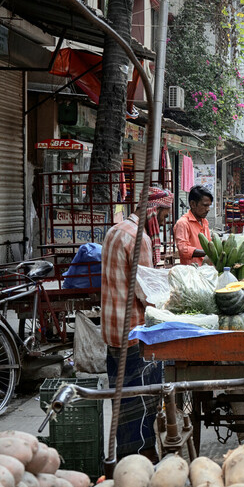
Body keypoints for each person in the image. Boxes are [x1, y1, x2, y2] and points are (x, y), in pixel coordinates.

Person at [101, 187, 171, 459]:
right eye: (164, 216)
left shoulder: (115, 230)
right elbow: (146, 293)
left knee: (122, 400)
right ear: (153, 211)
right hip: (133, 334)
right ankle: (142, 457)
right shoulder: (139, 239)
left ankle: (126, 455)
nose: (164, 222)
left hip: (112, 331)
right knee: (142, 401)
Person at [174, 185, 213, 265]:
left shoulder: (204, 222)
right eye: (205, 205)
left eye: (209, 206)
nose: (208, 209)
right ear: (193, 204)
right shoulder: (183, 223)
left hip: (206, 270)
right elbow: (183, 250)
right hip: (191, 272)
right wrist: (207, 252)